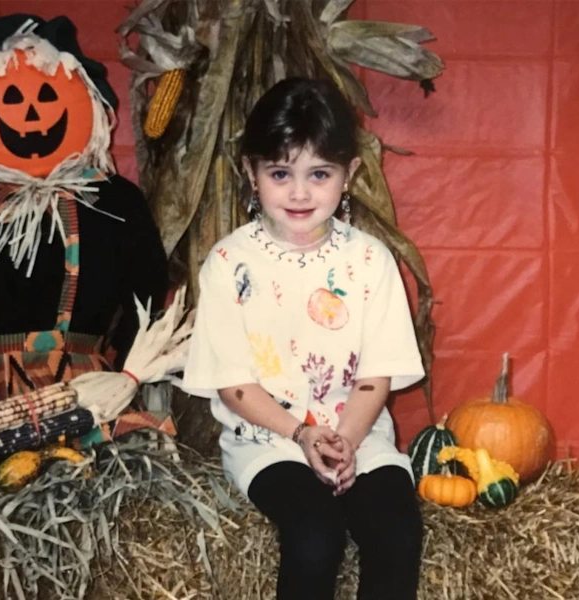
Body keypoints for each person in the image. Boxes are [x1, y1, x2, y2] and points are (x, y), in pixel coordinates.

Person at [182, 77, 425, 600]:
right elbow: (234, 385)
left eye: (319, 173)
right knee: (315, 536)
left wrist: (346, 441)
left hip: (359, 433)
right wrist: (302, 435)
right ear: (250, 171)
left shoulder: (370, 260)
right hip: (269, 440)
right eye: (279, 173)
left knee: (397, 534)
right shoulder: (228, 263)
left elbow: (375, 375)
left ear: (349, 174)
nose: (299, 193)